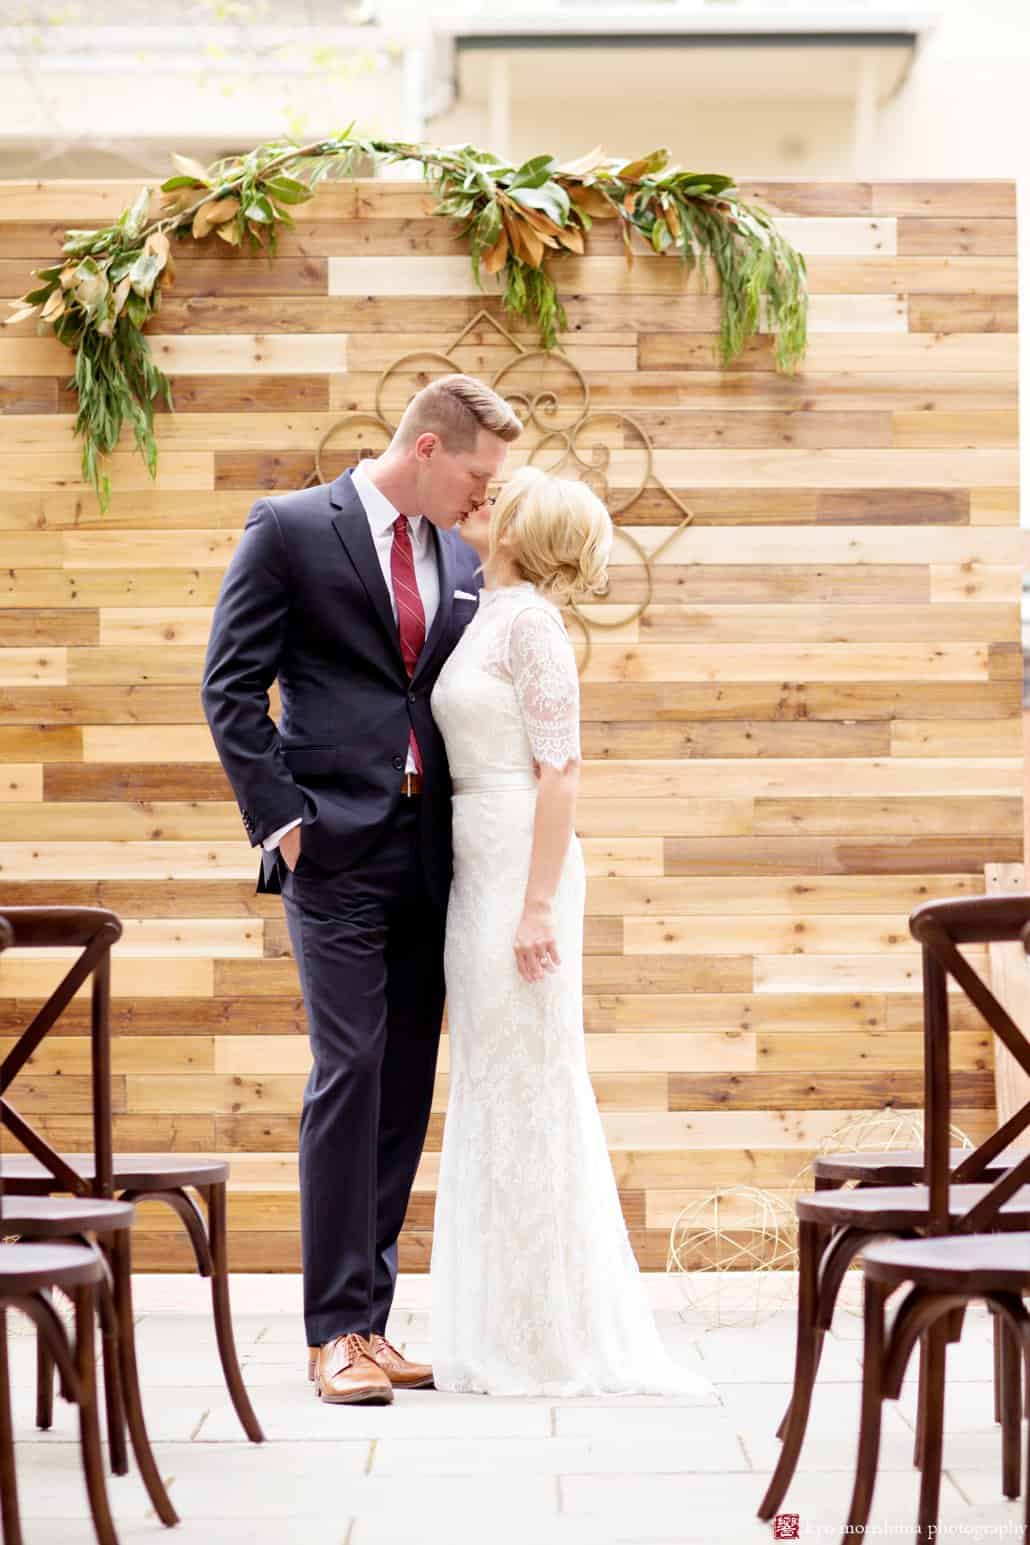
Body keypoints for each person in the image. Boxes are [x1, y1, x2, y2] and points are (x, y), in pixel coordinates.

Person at [201, 374, 523, 1405]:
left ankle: (373, 1322)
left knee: (402, 1088)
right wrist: (285, 824)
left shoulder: (458, 555)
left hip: (434, 857)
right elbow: (230, 684)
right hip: (330, 851)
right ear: (427, 448)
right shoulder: (292, 527)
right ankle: (333, 1330)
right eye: (476, 475)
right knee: (350, 1068)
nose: (483, 499)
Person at [429, 466, 715, 1399]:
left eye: (498, 498)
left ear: (521, 528)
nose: (482, 499)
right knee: (489, 1078)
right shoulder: (483, 608)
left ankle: (550, 1334)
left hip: (523, 864)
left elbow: (562, 770)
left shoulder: (533, 627)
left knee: (535, 1081)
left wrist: (539, 903)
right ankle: (493, 1321)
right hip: (475, 863)